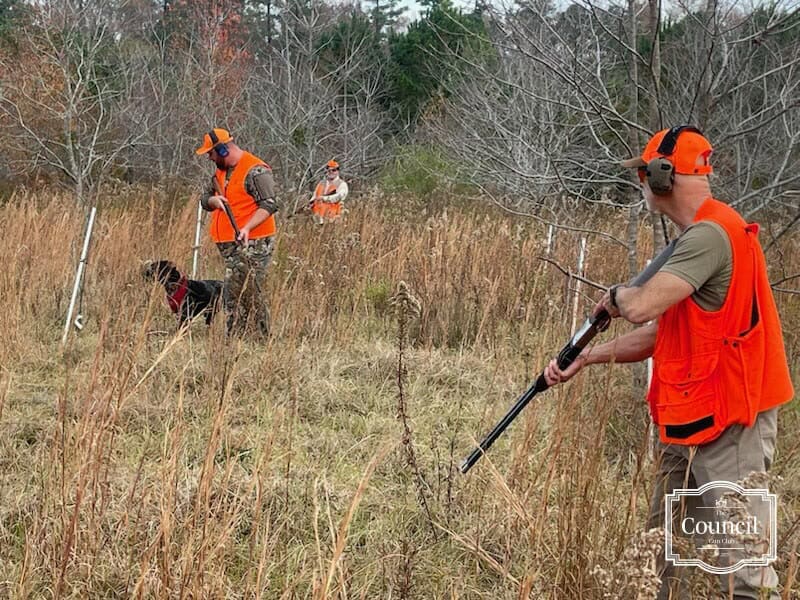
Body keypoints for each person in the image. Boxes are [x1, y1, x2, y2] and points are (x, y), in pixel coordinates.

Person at [543, 126, 793, 599]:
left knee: (746, 572)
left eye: (643, 173)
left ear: (662, 176)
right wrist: (589, 356)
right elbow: (665, 333)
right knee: (663, 559)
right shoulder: (694, 240)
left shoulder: (711, 236)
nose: (640, 183)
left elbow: (640, 308)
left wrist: (617, 296)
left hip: (732, 420)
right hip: (688, 419)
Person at [196, 128, 278, 338]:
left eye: (211, 153)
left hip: (254, 243)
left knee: (249, 291)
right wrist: (213, 201)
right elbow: (204, 199)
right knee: (235, 292)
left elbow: (269, 205)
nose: (209, 158)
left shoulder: (256, 170)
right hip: (231, 245)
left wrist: (248, 227)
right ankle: (240, 336)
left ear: (223, 150)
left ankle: (256, 338)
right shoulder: (220, 173)